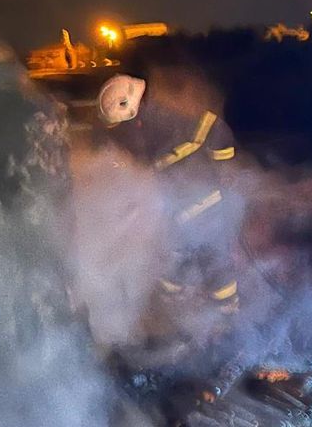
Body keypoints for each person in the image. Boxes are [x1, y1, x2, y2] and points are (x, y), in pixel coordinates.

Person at [97, 73, 241, 315]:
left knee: (208, 254)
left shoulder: (159, 119)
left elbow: (212, 126)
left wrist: (222, 165)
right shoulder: (145, 125)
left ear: (131, 112)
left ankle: (225, 316)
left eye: (119, 125)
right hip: (183, 203)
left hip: (204, 201)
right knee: (179, 252)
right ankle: (178, 305)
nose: (118, 132)